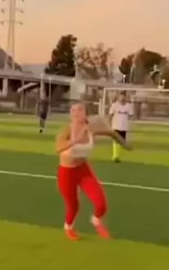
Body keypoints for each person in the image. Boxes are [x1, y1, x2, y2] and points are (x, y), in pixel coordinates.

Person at [56, 103, 131, 241]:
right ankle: (68, 228)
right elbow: (58, 147)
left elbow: (111, 133)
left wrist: (124, 143)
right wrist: (75, 140)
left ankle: (96, 220)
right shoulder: (67, 129)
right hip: (67, 173)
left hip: (83, 170)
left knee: (101, 204)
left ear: (86, 113)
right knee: (73, 206)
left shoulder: (91, 128)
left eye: (80, 109)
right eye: (73, 110)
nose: (76, 112)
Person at [109, 91, 133, 162]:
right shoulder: (114, 105)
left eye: (123, 96)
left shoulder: (128, 106)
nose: (122, 98)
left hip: (124, 127)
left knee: (121, 141)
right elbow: (110, 115)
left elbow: (131, 115)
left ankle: (117, 156)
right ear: (118, 97)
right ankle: (115, 156)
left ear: (125, 97)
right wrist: (109, 123)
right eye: (121, 96)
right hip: (116, 126)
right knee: (116, 140)